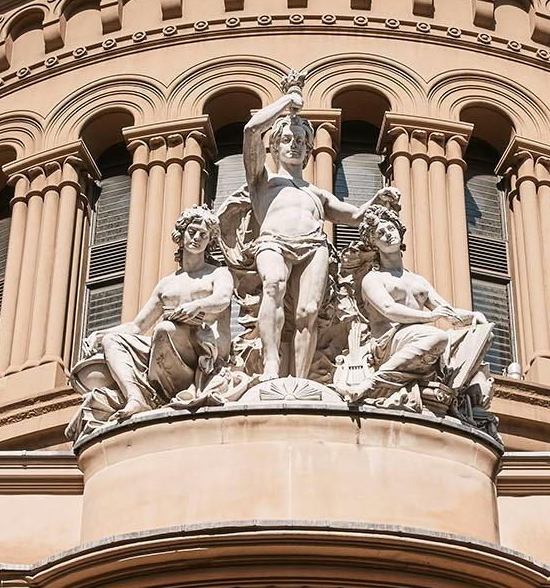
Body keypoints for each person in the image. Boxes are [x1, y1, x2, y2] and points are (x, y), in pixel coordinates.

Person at [235, 74, 366, 380]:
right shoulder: (262, 181)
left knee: (308, 311)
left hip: (314, 245)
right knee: (273, 284)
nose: (293, 145)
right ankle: (271, 364)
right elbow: (251, 131)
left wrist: (379, 202)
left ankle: (300, 380)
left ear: (308, 149)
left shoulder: (316, 193)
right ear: (274, 146)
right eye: (286, 139)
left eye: (299, 141)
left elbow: (355, 216)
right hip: (273, 241)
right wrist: (285, 103)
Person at [71, 205, 234, 431]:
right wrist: (102, 334)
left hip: (203, 349)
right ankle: (135, 397)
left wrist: (196, 306)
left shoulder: (218, 273)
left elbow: (223, 299)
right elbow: (137, 326)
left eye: (203, 235)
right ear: (182, 235)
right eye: (192, 232)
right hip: (166, 346)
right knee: (113, 341)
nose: (197, 238)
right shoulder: (167, 284)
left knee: (165, 328)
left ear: (210, 241)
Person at [351, 201, 495, 411]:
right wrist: (430, 317)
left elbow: (448, 313)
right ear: (374, 244)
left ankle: (446, 385)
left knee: (482, 335)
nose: (387, 234)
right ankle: (374, 381)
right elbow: (389, 309)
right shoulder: (373, 279)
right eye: (380, 233)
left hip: (419, 337)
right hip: (388, 343)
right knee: (438, 337)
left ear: (399, 231)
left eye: (390, 228)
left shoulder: (418, 281)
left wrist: (473, 316)